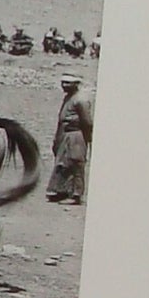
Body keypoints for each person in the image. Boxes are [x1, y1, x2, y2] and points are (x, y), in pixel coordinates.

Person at [47, 74, 94, 204]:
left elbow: (87, 122)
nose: (64, 85)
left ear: (76, 84)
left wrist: (87, 138)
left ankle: (76, 195)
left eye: (68, 83)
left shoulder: (81, 100)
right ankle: (62, 191)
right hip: (66, 134)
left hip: (76, 134)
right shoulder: (68, 98)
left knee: (76, 163)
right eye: (63, 82)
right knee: (63, 163)